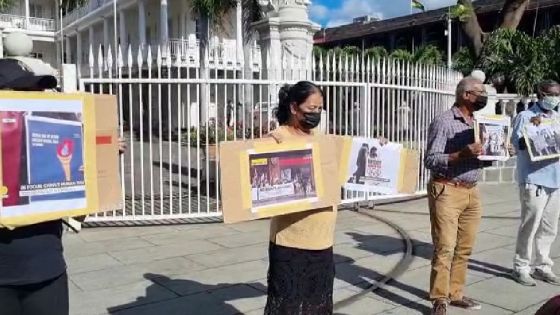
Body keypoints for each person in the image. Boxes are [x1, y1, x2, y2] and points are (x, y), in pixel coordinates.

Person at [0, 58, 125, 315]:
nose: (36, 99)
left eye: (37, 94)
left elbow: (80, 210)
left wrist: (101, 156)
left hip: (47, 270)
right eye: (24, 94)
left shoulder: (54, 138)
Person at [264, 81, 336, 314]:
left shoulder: (321, 138)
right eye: (311, 109)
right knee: (288, 306)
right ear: (294, 108)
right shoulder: (276, 139)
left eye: (320, 109)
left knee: (318, 305)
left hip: (323, 240)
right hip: (291, 242)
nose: (316, 114)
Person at [425, 76, 490, 314]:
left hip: (472, 192)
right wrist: (461, 154)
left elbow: (480, 159)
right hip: (447, 190)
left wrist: (498, 151)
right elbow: (431, 159)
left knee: (465, 248)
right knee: (445, 247)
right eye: (479, 92)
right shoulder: (444, 121)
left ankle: (456, 293)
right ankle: (439, 299)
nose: (483, 96)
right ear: (465, 95)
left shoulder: (477, 122)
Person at [510, 80, 560, 287]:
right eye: (551, 94)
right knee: (530, 224)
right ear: (540, 94)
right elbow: (517, 143)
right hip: (534, 179)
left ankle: (543, 265)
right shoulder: (525, 116)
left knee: (550, 226)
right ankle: (521, 266)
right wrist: (534, 129)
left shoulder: (557, 117)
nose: (555, 98)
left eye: (558, 94)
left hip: (555, 179)